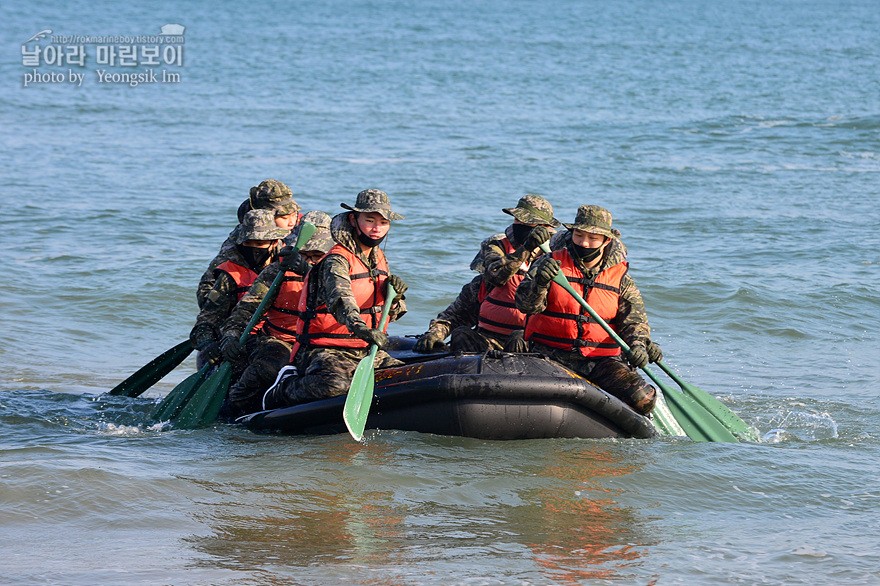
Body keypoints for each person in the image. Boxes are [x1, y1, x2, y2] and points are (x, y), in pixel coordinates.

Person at [262, 189, 408, 408]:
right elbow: (341, 300)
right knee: (335, 386)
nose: (377, 228)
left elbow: (390, 313)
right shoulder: (336, 260)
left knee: (406, 378)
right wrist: (359, 327)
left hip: (366, 350)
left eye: (384, 222)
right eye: (370, 220)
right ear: (353, 219)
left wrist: (395, 297)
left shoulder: (378, 258)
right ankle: (283, 388)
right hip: (324, 350)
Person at [514, 205, 663, 415]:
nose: (584, 243)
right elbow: (525, 306)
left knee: (642, 398)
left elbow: (634, 322)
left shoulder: (621, 279)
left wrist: (638, 345)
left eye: (593, 238)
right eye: (579, 235)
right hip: (549, 356)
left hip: (600, 362)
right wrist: (539, 282)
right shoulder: (549, 262)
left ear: (606, 240)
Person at [217, 211, 334, 417]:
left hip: (324, 343)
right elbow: (245, 311)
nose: (310, 260)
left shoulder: (338, 275)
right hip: (281, 341)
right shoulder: (275, 273)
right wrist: (230, 337)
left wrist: (309, 273)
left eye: (317, 256)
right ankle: (233, 409)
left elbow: (349, 304)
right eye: (304, 255)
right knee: (268, 367)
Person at [413, 194, 560, 354]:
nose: (521, 225)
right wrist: (434, 334)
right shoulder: (483, 281)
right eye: (518, 220)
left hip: (527, 346)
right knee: (460, 334)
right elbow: (456, 314)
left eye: (528, 222)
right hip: (486, 344)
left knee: (518, 337)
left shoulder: (554, 259)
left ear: (545, 228)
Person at [188, 209, 291, 367]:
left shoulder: (287, 267)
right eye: (248, 243)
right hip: (237, 341)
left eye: (260, 243)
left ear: (274, 242)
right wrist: (208, 344)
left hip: (278, 341)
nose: (254, 248)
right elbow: (206, 320)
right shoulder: (229, 274)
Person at [196, 179, 301, 309]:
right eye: (284, 217)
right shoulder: (238, 244)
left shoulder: (299, 228)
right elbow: (207, 288)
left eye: (293, 214)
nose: (291, 222)